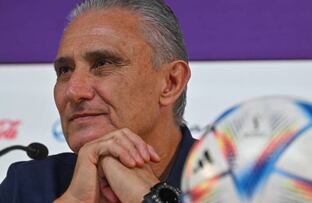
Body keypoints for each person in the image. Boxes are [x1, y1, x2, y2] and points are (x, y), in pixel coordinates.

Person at [0, 0, 195, 202]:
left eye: (103, 64)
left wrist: (152, 198)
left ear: (171, 83)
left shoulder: (225, 181)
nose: (74, 91)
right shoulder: (27, 185)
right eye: (65, 70)